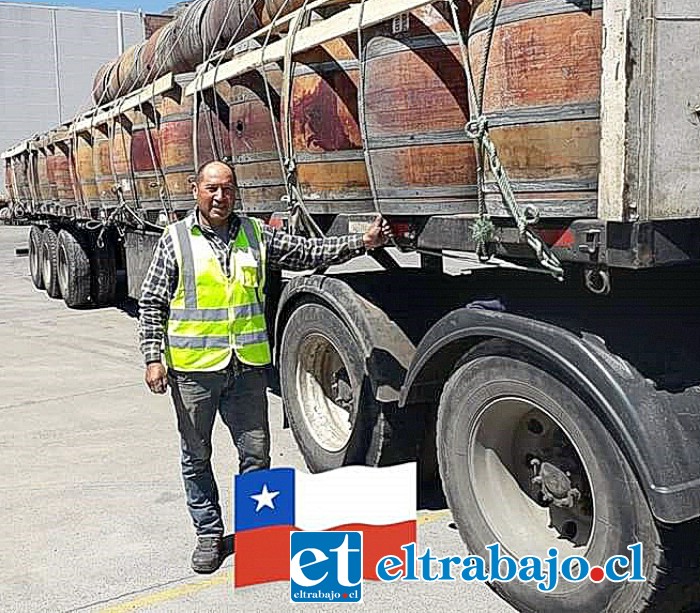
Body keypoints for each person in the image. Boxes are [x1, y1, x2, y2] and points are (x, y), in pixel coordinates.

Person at [138, 160, 392, 574]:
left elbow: (306, 251)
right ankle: (208, 534)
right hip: (194, 372)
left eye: (228, 189)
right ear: (195, 189)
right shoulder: (176, 240)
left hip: (247, 369)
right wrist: (153, 358)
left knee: (256, 453)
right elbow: (152, 301)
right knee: (196, 456)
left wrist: (360, 241)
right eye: (212, 188)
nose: (220, 197)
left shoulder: (256, 234)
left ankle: (259, 530)